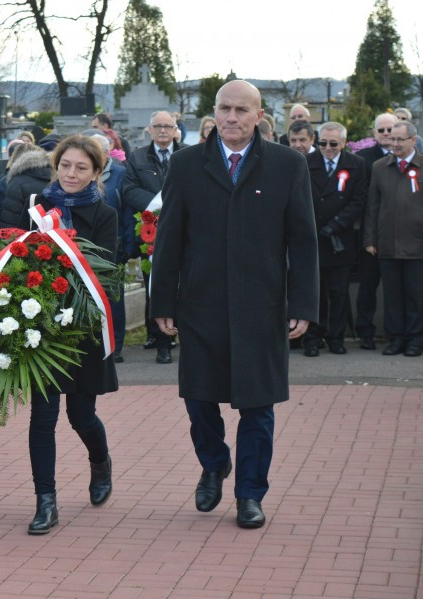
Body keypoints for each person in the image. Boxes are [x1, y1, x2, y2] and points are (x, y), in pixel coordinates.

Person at [150, 80, 318, 529]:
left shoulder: (286, 165)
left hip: (263, 308)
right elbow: (168, 240)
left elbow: (303, 241)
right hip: (200, 306)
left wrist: (302, 302)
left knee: (258, 407)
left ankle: (249, 494)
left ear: (259, 116)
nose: (231, 118)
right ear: (214, 111)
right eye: (224, 108)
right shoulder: (187, 165)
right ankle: (214, 462)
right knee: (198, 400)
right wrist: (162, 301)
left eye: (242, 110)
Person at [25, 134, 118, 534]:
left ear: (97, 173)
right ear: (56, 166)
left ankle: (101, 462)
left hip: (84, 330)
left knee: (82, 416)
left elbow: (105, 274)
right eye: (65, 166)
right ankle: (45, 502)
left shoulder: (107, 216)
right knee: (42, 418)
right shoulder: (36, 207)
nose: (71, 174)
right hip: (41, 326)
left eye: (82, 168)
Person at [122, 110, 184, 364]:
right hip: (151, 233)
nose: (162, 131)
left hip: (183, 231)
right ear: (149, 129)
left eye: (167, 126)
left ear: (175, 129)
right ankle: (162, 341)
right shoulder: (137, 159)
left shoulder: (187, 154)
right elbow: (128, 189)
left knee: (185, 287)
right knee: (155, 285)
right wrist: (154, 207)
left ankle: (179, 334)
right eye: (157, 126)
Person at [303, 122, 367, 357]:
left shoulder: (356, 164)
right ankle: (312, 338)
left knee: (339, 293)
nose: (327, 148)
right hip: (313, 239)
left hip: (340, 240)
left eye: (333, 144)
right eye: (322, 143)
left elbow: (359, 200)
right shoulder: (306, 163)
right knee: (314, 293)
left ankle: (336, 337)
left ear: (343, 143)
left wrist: (336, 225)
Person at [364, 121, 423, 357]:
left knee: (416, 297)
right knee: (392, 297)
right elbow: (372, 207)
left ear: (413, 140)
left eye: (400, 139)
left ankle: (415, 340)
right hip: (387, 244)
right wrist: (370, 239)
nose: (395, 144)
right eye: (392, 139)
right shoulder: (380, 167)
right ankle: (395, 339)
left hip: (418, 245)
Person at [354, 113, 398, 350]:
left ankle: (396, 334)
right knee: (367, 287)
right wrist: (368, 236)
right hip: (370, 235)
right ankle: (366, 333)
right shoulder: (363, 159)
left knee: (396, 290)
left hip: (398, 236)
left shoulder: (408, 159)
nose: (386, 134)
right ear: (374, 134)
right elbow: (362, 199)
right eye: (381, 130)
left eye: (390, 129)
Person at [91, 133, 132, 362]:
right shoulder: (85, 172)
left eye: (97, 150)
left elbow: (126, 209)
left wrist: (127, 241)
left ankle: (115, 345)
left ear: (107, 153)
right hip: (88, 243)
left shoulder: (120, 174)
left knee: (115, 296)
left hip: (115, 242)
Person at [0, 143, 52, 230]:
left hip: (23, 239)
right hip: (53, 237)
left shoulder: (14, 182)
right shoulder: (55, 178)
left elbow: (8, 222)